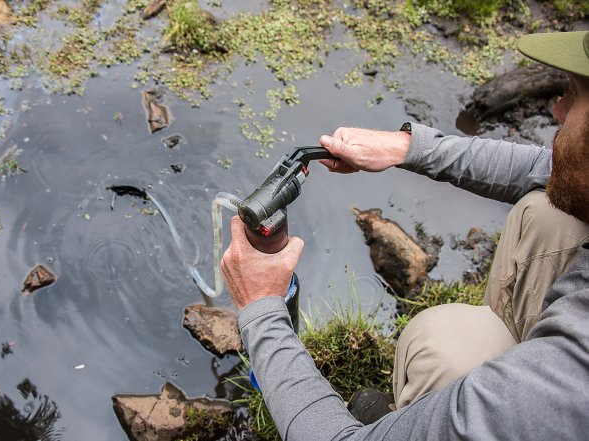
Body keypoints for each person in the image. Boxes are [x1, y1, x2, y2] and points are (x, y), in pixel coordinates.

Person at [220, 30, 589, 440]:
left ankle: (423, 414)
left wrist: (261, 309)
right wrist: (405, 148)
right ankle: (500, 350)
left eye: (574, 94)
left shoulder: (568, 378)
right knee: (546, 212)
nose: (557, 110)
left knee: (438, 345)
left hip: (535, 405)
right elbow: (548, 167)